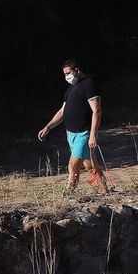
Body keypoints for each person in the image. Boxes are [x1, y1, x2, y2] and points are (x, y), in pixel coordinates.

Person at [37, 58, 103, 191]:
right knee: (90, 166)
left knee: (72, 166)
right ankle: (104, 189)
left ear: (77, 70)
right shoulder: (70, 89)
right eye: (65, 74)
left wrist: (92, 135)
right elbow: (62, 111)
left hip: (84, 134)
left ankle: (69, 193)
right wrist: (48, 126)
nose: (66, 76)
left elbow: (97, 111)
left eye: (68, 73)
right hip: (71, 134)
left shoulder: (88, 85)